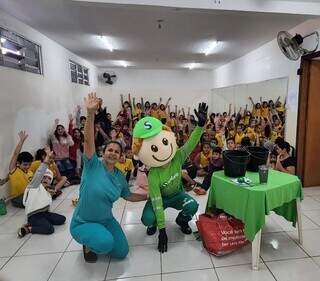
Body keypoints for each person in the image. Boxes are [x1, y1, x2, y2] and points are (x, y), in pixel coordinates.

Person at [70, 92, 147, 263]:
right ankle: (87, 243)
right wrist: (90, 114)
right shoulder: (92, 165)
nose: (112, 153)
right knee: (105, 244)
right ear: (103, 153)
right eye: (109, 150)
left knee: (121, 252)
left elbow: (129, 196)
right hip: (83, 222)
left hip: (105, 220)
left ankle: (100, 234)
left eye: (116, 151)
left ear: (121, 157)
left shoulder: (120, 177)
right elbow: (88, 141)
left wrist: (149, 196)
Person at [132, 103, 208, 253]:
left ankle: (182, 220)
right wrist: (162, 231)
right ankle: (153, 224)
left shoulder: (178, 156)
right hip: (160, 199)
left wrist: (200, 125)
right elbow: (158, 203)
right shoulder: (153, 175)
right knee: (146, 219)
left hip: (177, 195)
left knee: (193, 206)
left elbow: (191, 143)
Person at [18, 146, 66, 237]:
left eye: (49, 178)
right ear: (40, 178)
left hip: (44, 213)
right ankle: (28, 228)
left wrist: (54, 164)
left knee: (62, 219)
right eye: (44, 177)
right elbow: (40, 172)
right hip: (34, 216)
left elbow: (58, 184)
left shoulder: (48, 189)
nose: (46, 179)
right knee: (50, 229)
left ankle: (40, 222)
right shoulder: (34, 186)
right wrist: (47, 157)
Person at [8, 131, 34, 208]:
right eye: (25, 164)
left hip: (28, 195)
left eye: (29, 164)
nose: (28, 166)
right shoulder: (14, 170)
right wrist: (21, 141)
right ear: (18, 163)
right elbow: (16, 154)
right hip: (17, 198)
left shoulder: (30, 172)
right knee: (34, 202)